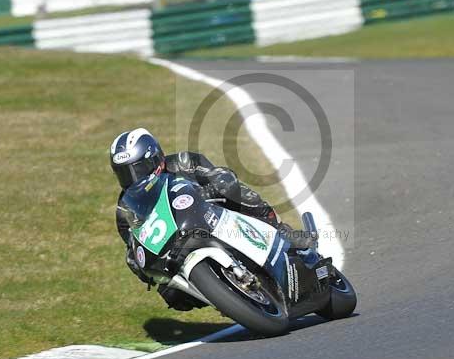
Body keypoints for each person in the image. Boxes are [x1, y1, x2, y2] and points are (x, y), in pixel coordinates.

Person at [110, 128, 315, 310]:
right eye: (124, 173)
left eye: (137, 169)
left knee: (237, 192)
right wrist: (136, 262)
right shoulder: (125, 208)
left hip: (211, 215)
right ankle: (231, 296)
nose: (133, 178)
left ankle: (280, 230)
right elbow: (133, 244)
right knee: (172, 296)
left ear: (155, 159)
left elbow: (218, 175)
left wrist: (217, 182)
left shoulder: (183, 162)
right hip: (174, 252)